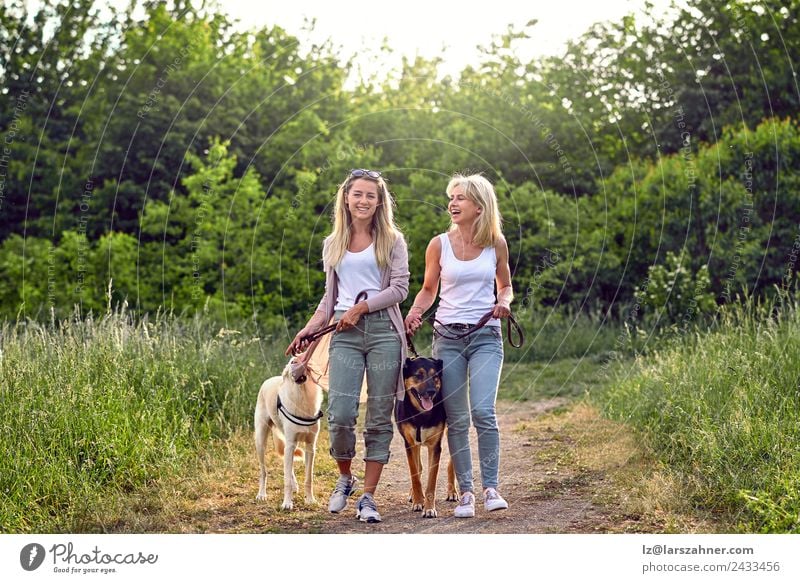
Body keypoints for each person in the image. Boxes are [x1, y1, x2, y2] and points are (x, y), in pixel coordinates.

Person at [286, 168, 409, 523]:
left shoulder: (393, 240)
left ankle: (368, 497)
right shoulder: (332, 243)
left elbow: (399, 289)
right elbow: (329, 300)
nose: (364, 201)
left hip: (384, 330)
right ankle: (345, 477)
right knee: (340, 413)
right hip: (344, 332)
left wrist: (362, 307)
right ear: (346, 197)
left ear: (379, 201)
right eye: (358, 194)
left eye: (371, 195)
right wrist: (307, 332)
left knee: (378, 417)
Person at [404, 173, 513, 518]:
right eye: (451, 197)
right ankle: (465, 492)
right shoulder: (439, 244)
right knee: (457, 416)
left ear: (479, 206)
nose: (452, 203)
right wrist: (415, 311)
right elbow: (428, 288)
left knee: (483, 411)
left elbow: (506, 285)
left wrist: (505, 302)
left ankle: (491, 488)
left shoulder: (496, 243)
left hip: (486, 336)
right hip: (447, 339)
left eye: (460, 198)